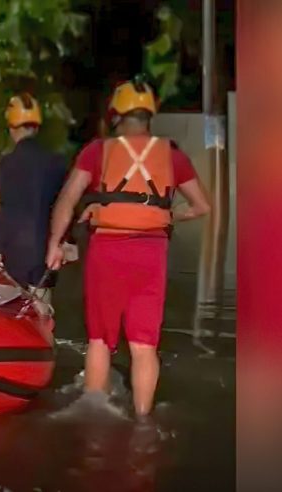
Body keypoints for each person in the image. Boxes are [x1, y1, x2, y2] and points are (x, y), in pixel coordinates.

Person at [45, 77, 211, 417]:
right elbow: (201, 207)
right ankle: (143, 420)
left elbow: (67, 199)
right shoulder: (173, 155)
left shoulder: (97, 151)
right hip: (152, 255)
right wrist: (162, 215)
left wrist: (55, 244)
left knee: (100, 341)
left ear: (117, 116)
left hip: (108, 251)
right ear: (151, 115)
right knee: (144, 345)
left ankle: (92, 420)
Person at [0, 92, 71, 309]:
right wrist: (65, 242)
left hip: (12, 257)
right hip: (44, 256)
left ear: (11, 128)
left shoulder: (2, 166)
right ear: (36, 127)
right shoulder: (57, 162)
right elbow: (66, 206)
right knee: (43, 319)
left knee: (15, 322)